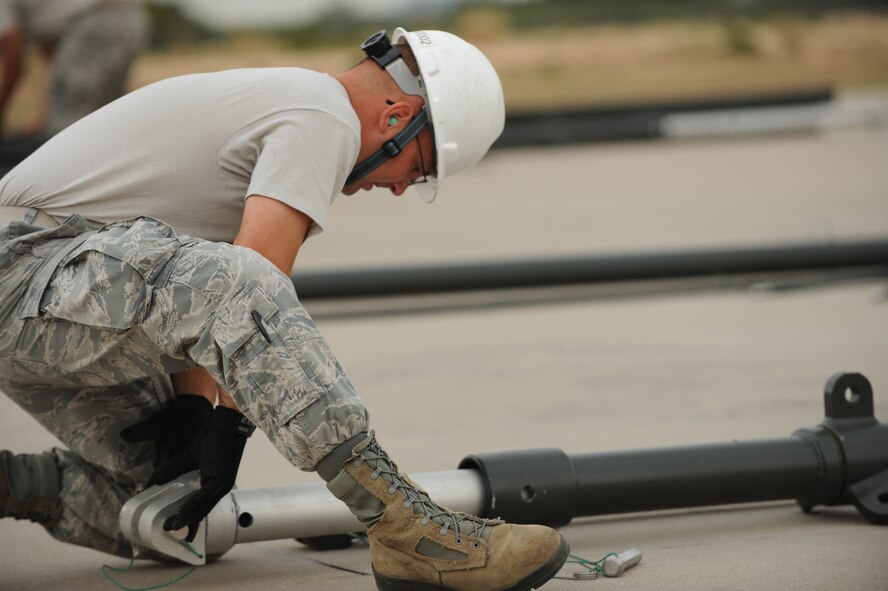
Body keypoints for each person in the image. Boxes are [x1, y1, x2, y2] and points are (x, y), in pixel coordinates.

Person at [0, 27, 570, 591]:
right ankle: (406, 530)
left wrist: (198, 411)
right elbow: (245, 285)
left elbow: (196, 279)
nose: (400, 188)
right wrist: (230, 424)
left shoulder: (292, 105)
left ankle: (16, 482)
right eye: (417, 170)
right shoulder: (323, 117)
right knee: (247, 287)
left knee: (169, 509)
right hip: (26, 268)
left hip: (55, 295)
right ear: (397, 119)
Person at [0, 0, 148, 138]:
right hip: (128, 15)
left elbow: (14, 55)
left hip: (95, 24)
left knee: (64, 133)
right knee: (107, 119)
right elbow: (53, 57)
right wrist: (46, 112)